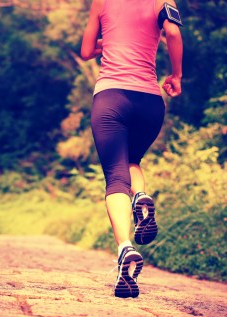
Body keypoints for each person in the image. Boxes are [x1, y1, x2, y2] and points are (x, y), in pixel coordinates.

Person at [80, 0, 183, 298]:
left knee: (115, 177)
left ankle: (125, 247)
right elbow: (173, 34)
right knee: (132, 160)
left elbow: (86, 51)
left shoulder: (101, 2)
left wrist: (108, 42)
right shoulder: (163, 0)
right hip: (150, 102)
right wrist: (176, 76)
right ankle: (141, 197)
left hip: (111, 98)